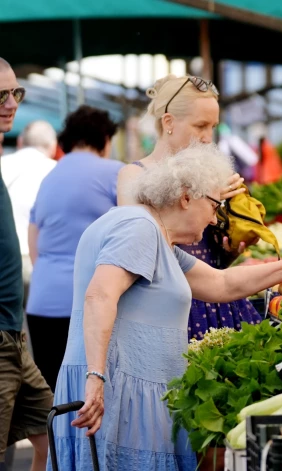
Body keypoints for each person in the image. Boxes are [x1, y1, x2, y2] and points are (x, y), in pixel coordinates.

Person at [49, 143, 282, 470]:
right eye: (215, 205)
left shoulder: (156, 236)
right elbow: (99, 295)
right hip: (117, 393)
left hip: (129, 392)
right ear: (186, 197)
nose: (215, 219)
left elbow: (222, 283)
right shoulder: (139, 228)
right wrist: (96, 377)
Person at [117, 75, 262, 340]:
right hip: (170, 309)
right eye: (200, 126)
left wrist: (229, 250)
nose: (208, 138)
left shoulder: (213, 175)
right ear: (169, 122)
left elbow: (212, 260)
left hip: (217, 302)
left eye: (213, 127)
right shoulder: (133, 176)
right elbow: (144, 251)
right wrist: (203, 198)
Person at [27, 106, 123, 392]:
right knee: (91, 401)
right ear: (105, 138)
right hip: (88, 306)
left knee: (56, 400)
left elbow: (35, 237)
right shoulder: (115, 172)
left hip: (42, 303)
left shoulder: (49, 176)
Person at [0, 57, 51, 471]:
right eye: (0, 95)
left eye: (16, 92)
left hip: (15, 338)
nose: (11, 103)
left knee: (53, 428)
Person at [1, 121, 58, 289]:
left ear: (20, 142)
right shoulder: (56, 171)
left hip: (4, 254)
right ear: (53, 146)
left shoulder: (3, 164)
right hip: (38, 258)